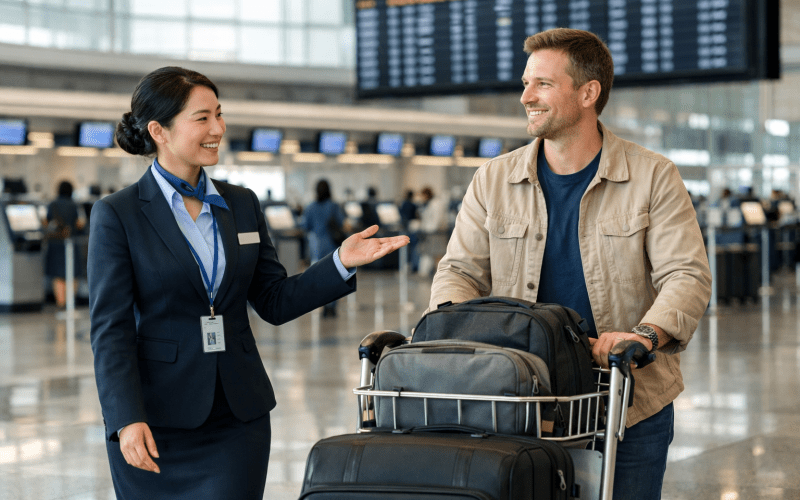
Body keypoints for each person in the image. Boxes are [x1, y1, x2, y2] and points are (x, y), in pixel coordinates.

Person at [88, 66, 408, 500]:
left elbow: (273, 301)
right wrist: (125, 418)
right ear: (159, 130)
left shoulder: (240, 203)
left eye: (219, 115)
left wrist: (338, 263)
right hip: (156, 419)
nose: (218, 128)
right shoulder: (119, 214)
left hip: (239, 419)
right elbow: (111, 330)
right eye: (202, 118)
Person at [428, 29, 711, 500]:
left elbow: (686, 274)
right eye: (525, 83)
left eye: (542, 84)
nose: (525, 97)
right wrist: (456, 333)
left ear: (588, 92)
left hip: (627, 400)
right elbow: (459, 270)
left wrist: (643, 336)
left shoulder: (652, 175)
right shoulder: (493, 179)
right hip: (517, 398)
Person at [302, 179, 346, 317]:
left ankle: (323, 306)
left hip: (317, 247)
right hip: (332, 246)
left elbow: (305, 226)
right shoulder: (334, 206)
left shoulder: (310, 207)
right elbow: (341, 223)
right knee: (334, 277)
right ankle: (332, 306)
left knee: (319, 278)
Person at [44, 180, 84, 308]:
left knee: (58, 275)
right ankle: (70, 302)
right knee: (72, 274)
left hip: (55, 243)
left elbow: (46, 222)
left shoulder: (52, 204)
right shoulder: (74, 205)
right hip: (71, 242)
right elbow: (79, 223)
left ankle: (60, 303)